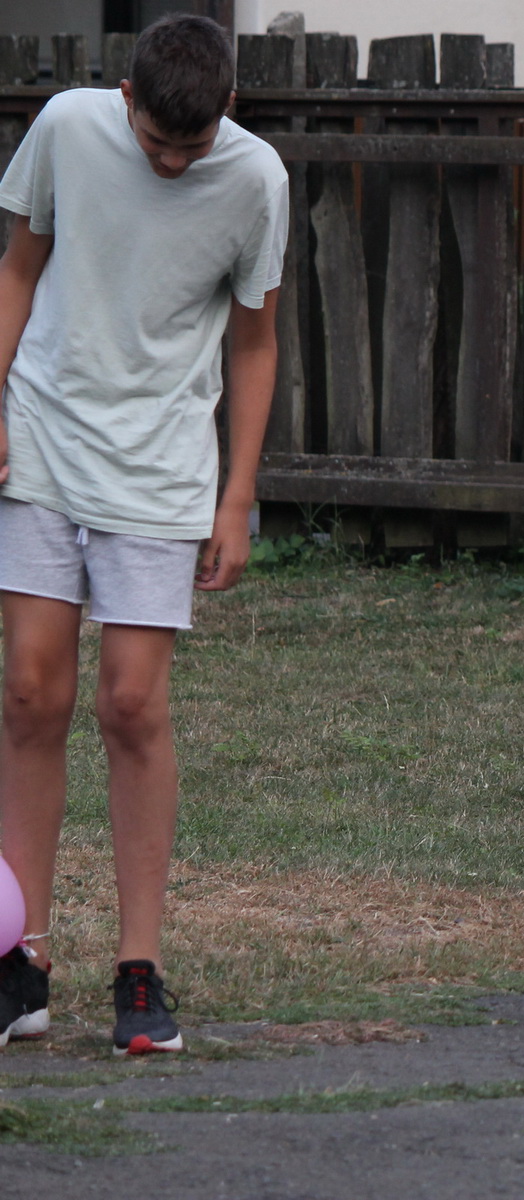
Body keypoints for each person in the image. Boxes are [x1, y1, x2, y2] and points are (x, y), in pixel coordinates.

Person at [0, 14, 287, 1054]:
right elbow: (19, 269)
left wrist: (236, 496)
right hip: (42, 439)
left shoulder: (256, 179)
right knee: (31, 694)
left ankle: (139, 967)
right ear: (126, 99)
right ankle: (20, 963)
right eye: (157, 142)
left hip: (162, 465)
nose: (172, 163)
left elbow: (254, 342)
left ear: (228, 111)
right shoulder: (68, 128)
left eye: (191, 146)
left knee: (131, 704)